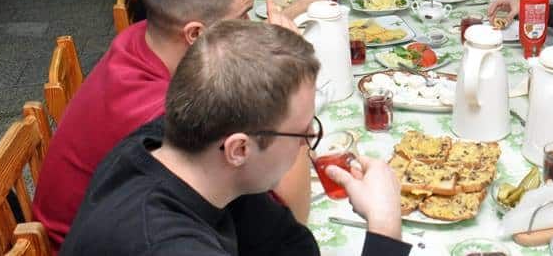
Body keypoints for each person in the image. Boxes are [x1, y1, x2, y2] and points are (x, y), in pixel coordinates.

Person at [33, 0, 318, 252]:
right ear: (195, 34)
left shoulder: (143, 37)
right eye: (242, 18)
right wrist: (289, 97)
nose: (251, 29)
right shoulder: (160, 113)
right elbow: (292, 213)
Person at [61, 20, 410, 256]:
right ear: (239, 148)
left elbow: (287, 245)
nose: (309, 144)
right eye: (301, 133)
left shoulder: (179, 149)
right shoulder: (167, 244)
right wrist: (385, 227)